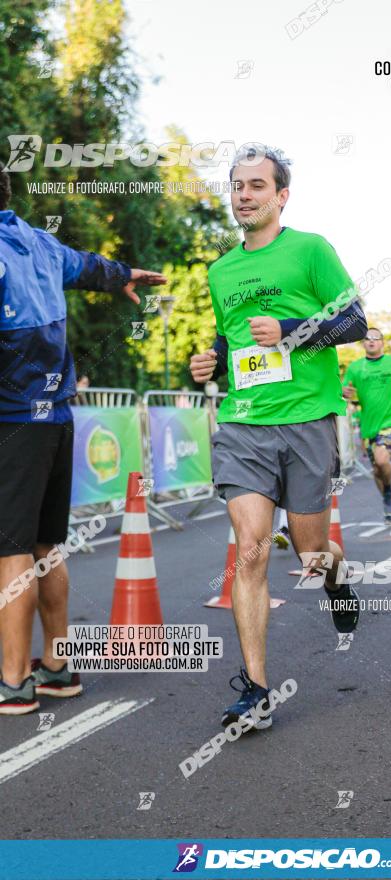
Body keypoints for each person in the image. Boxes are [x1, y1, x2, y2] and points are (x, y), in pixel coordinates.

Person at [189, 146, 366, 730]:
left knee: (312, 551)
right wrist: (209, 362)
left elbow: (354, 321)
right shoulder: (220, 270)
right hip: (243, 424)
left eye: (257, 185)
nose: (244, 194)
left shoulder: (311, 250)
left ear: (281, 195)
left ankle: (335, 576)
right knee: (251, 549)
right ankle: (257, 689)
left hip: (307, 420)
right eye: (237, 185)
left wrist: (291, 331)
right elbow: (230, 340)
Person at [0, 162, 166, 714]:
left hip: (12, 418)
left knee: (12, 550)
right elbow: (89, 266)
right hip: (54, 415)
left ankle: (13, 679)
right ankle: (57, 667)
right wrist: (123, 274)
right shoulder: (40, 243)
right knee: (47, 545)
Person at [342, 329, 391, 521]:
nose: (371, 341)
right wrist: (344, 392)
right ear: (363, 344)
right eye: (367, 338)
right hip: (369, 427)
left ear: (382, 342)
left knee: (383, 460)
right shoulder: (356, 367)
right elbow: (344, 389)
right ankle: (386, 497)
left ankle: (389, 491)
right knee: (376, 471)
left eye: (375, 338)